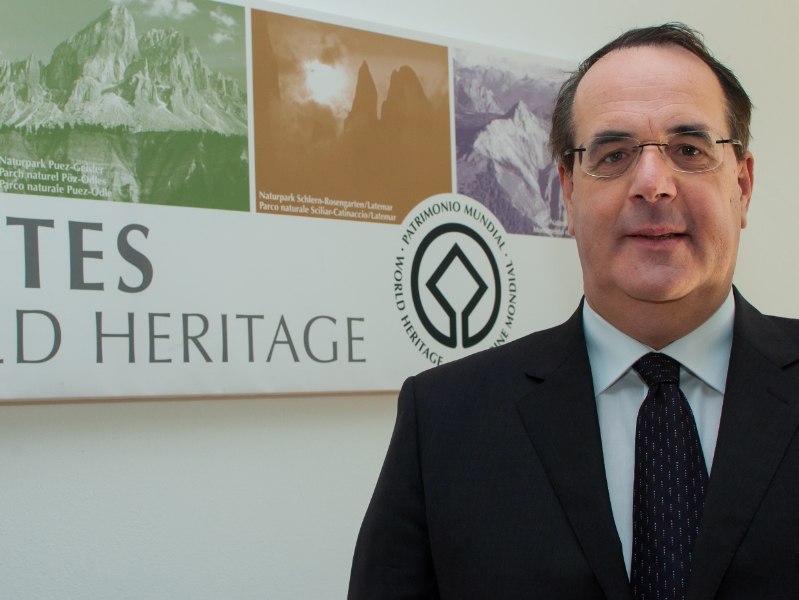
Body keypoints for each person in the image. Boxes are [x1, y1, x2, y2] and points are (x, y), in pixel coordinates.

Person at [348, 23, 799, 600]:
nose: (652, 184)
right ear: (567, 191)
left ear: (743, 184)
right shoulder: (441, 422)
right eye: (614, 155)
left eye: (689, 150)